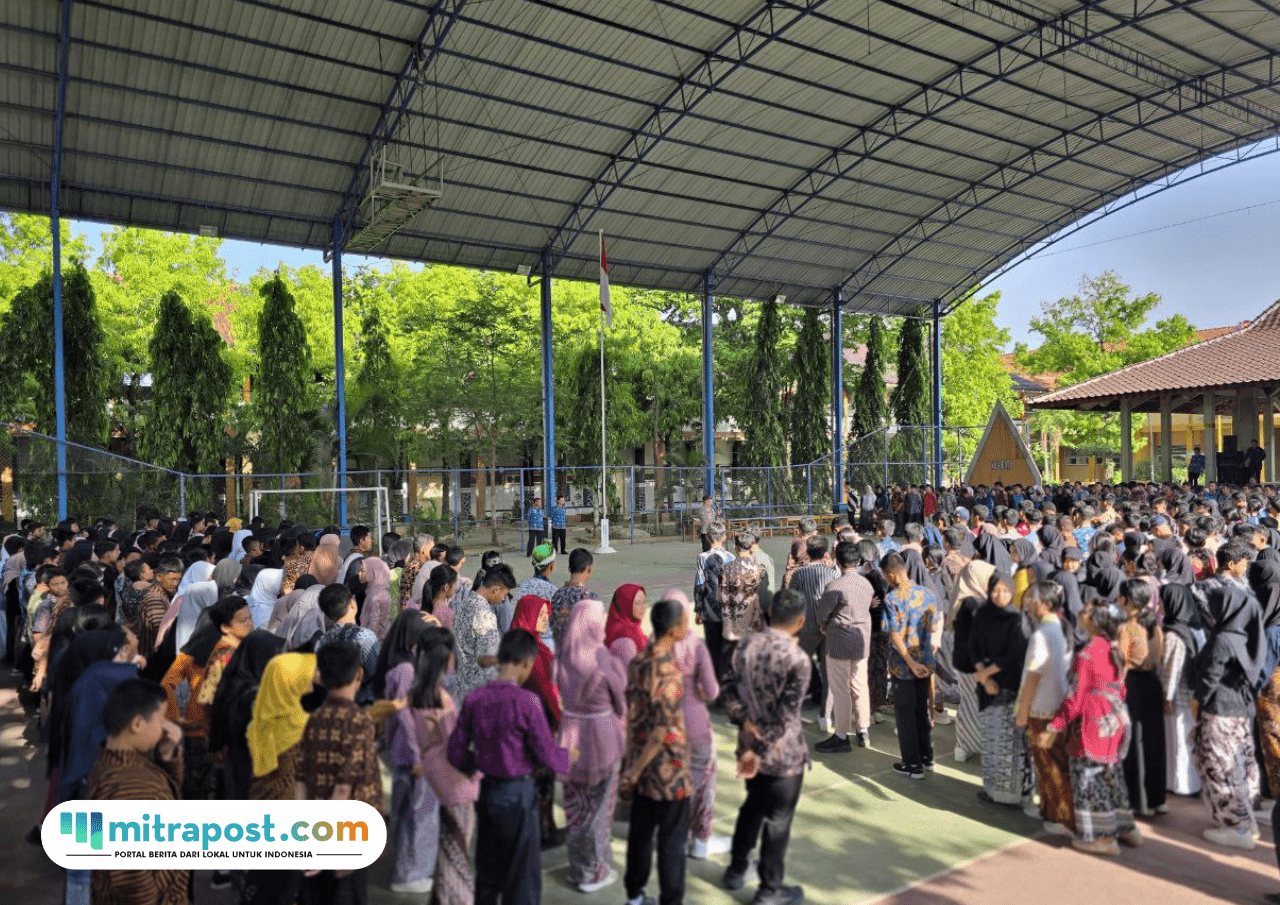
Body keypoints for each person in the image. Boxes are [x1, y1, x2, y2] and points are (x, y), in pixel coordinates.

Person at [449, 629, 570, 905]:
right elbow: (547, 755)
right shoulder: (527, 702)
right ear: (527, 662)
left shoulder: (475, 699)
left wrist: (475, 765)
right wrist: (568, 756)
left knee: (488, 870)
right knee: (521, 875)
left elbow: (455, 752)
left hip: (487, 791)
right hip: (517, 794)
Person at [720, 588, 810, 905]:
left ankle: (737, 868)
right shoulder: (798, 660)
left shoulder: (746, 645)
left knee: (753, 806)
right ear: (801, 621)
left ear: (770, 612)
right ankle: (769, 890)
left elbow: (727, 689)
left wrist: (745, 725)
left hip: (748, 746)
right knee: (777, 820)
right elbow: (786, 716)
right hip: (781, 756)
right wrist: (759, 749)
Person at [1040, 599, 1141, 856]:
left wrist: (1054, 727)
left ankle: (1102, 838)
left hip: (1092, 724)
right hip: (1113, 720)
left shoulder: (1087, 654)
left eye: (1086, 611)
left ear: (1095, 621)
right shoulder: (1114, 649)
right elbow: (1120, 688)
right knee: (1111, 775)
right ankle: (1125, 827)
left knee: (1089, 779)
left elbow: (1074, 699)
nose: (1080, 613)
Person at [296, 641, 385, 905]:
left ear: (321, 677)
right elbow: (344, 787)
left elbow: (300, 780)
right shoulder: (359, 721)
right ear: (359, 674)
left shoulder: (314, 719)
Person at [87, 679, 188, 905]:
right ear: (138, 724)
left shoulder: (113, 762)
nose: (165, 727)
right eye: (161, 719)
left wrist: (167, 756)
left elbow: (162, 796)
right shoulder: (131, 789)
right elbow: (131, 873)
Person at [621, 597, 692, 905]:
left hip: (640, 762)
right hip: (668, 770)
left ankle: (634, 895)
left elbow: (633, 716)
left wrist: (631, 767)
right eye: (684, 622)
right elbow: (662, 731)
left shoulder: (639, 661)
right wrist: (634, 771)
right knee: (672, 843)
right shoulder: (669, 671)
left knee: (640, 834)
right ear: (674, 629)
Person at [557, 598, 627, 892]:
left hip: (569, 735)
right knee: (600, 807)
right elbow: (620, 700)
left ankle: (578, 867)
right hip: (601, 735)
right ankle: (595, 871)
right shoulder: (602, 656)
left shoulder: (562, 655)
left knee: (575, 806)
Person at [159, 595, 254, 799]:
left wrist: (175, 719)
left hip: (194, 727)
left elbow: (166, 684)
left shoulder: (191, 653)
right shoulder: (229, 654)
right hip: (218, 733)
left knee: (195, 787)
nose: (249, 623)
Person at [1193, 584, 1266, 850]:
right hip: (1240, 711)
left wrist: (1198, 700)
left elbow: (1210, 677)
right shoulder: (1245, 636)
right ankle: (1247, 821)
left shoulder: (1222, 639)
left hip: (1220, 711)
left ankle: (1236, 827)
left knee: (1220, 767)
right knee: (1240, 767)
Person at [411, 628, 478, 905]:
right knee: (457, 851)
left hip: (434, 772)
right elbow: (456, 746)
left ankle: (442, 897)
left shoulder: (416, 693)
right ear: (447, 656)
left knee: (447, 848)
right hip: (455, 780)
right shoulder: (442, 699)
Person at [381, 611, 440, 895]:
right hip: (413, 753)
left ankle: (407, 868)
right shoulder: (406, 670)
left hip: (403, 751)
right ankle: (411, 873)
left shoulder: (399, 664)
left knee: (407, 811)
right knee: (418, 815)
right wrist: (418, 755)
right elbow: (406, 717)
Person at [663, 589, 725, 862]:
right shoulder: (695, 645)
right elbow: (712, 691)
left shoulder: (653, 646)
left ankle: (676, 835)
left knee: (674, 780)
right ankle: (701, 839)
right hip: (696, 721)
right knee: (704, 782)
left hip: (667, 724)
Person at [1014, 581, 1074, 835]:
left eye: (1033, 598)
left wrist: (1022, 711)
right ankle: (1050, 810)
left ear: (1047, 604)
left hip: (1041, 708)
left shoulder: (1041, 635)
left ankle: (1060, 816)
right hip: (1057, 704)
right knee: (1052, 762)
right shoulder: (1061, 628)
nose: (1027, 602)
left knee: (1049, 764)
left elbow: (1032, 677)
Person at [970, 572, 1033, 808]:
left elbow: (1013, 655)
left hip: (1009, 686)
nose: (1000, 595)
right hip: (987, 688)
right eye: (996, 590)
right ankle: (992, 790)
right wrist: (984, 676)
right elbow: (973, 647)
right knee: (991, 740)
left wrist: (986, 674)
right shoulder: (982, 615)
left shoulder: (1017, 620)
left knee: (1010, 743)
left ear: (1013, 591)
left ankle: (1011, 796)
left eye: (1006, 590)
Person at [511, 594, 564, 849]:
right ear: (528, 616)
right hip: (538, 726)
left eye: (546, 614)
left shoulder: (516, 646)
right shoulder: (534, 652)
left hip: (520, 728)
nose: (545, 619)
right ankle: (543, 832)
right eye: (540, 615)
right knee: (541, 782)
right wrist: (560, 719)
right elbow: (546, 691)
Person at [814, 541, 876, 752]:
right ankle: (863, 730)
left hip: (839, 640)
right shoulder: (866, 584)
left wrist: (824, 625)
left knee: (841, 688)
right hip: (861, 640)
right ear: (858, 561)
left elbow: (822, 613)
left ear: (838, 562)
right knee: (860, 685)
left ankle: (841, 734)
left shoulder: (835, 586)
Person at [1118, 578, 1167, 817]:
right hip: (1153, 684)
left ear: (1127, 600)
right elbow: (1160, 656)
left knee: (1135, 742)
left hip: (1133, 685)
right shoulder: (1154, 625)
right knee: (1154, 742)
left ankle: (1140, 801)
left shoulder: (1127, 628)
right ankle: (1157, 799)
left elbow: (1121, 662)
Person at [1159, 582, 1203, 796]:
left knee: (1177, 739)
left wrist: (1166, 697)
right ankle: (1193, 782)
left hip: (1177, 695)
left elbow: (1171, 669)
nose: (1159, 605)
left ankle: (1181, 784)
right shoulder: (1196, 629)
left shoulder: (1173, 634)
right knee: (1189, 737)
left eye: (1162, 601)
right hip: (1194, 694)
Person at [452, 564, 517, 702]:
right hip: (477, 690)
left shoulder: (464, 603)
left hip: (459, 683)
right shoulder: (485, 616)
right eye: (504, 594)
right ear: (495, 590)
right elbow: (487, 660)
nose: (503, 599)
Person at [314, 583, 380, 704]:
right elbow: (377, 673)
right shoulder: (365, 637)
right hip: (362, 705)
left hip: (330, 704)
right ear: (352, 604)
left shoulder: (322, 641)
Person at [694, 521, 734, 678]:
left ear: (708, 537)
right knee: (727, 648)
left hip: (709, 609)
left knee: (713, 648)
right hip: (727, 609)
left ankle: (715, 680)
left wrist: (698, 609)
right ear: (724, 537)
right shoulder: (731, 557)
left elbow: (700, 584)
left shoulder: (702, 558)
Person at [550, 549, 596, 649]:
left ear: (569, 568)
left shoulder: (557, 594)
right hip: (581, 651)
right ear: (589, 569)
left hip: (559, 650)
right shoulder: (590, 597)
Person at [605, 583, 649, 667]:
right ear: (625, 605)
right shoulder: (626, 635)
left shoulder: (613, 628)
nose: (643, 607)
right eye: (637, 603)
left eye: (644, 602)